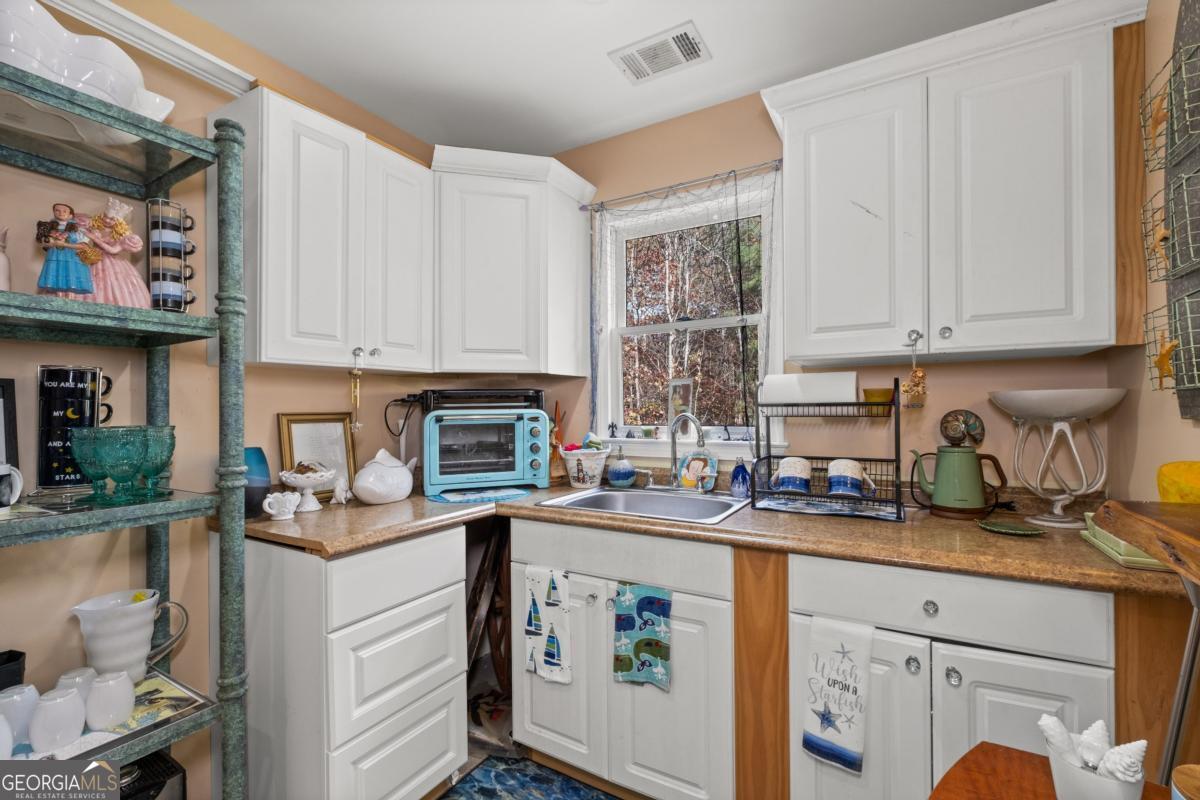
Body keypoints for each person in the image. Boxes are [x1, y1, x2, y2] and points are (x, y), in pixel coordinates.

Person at [81, 197, 150, 308]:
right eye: (106, 217)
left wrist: (95, 238)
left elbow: (113, 250)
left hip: (112, 262)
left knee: (115, 286)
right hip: (92, 258)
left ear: (118, 222)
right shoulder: (95, 228)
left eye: (112, 219)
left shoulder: (120, 237)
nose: (107, 221)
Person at [36, 203, 93, 298]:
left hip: (72, 259)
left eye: (64, 211)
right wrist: (52, 243)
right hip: (55, 258)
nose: (61, 213)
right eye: (57, 210)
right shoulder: (47, 227)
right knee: (55, 282)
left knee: (71, 283)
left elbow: (83, 246)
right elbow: (42, 242)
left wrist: (65, 244)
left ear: (71, 215)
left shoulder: (78, 229)